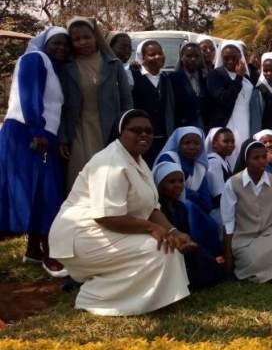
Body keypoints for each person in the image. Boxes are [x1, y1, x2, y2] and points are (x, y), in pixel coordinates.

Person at [48, 109, 191, 316]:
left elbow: (151, 209)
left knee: (168, 246)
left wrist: (173, 231)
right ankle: (95, 296)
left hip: (103, 231)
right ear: (121, 132)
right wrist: (152, 229)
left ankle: (152, 299)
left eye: (149, 131)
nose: (144, 135)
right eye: (136, 130)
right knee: (156, 248)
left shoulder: (139, 161)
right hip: (79, 236)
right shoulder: (110, 163)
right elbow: (106, 216)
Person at [0, 27, 70, 276]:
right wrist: (37, 131)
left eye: (65, 45)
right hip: (27, 134)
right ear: (45, 43)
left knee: (38, 191)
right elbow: (30, 97)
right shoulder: (34, 58)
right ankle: (50, 254)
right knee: (45, 191)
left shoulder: (51, 66)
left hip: (39, 134)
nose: (61, 48)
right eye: (56, 44)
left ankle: (32, 251)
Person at [59, 17, 133, 191]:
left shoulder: (113, 65)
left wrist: (128, 130)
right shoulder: (66, 67)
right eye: (76, 39)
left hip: (108, 130)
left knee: (109, 179)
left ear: (95, 37)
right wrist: (63, 137)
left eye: (87, 37)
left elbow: (126, 100)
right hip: (78, 131)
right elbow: (61, 105)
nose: (82, 42)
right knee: (80, 179)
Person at [221, 140, 272, 282]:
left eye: (264, 157)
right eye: (256, 158)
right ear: (246, 160)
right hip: (245, 237)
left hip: (269, 232)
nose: (261, 161)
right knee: (253, 259)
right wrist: (228, 254)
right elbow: (228, 221)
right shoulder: (232, 184)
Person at [153, 161, 226, 289]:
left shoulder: (181, 207)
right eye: (171, 182)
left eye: (180, 181)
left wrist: (188, 244)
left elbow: (186, 233)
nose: (177, 185)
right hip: (165, 248)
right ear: (160, 184)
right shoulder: (157, 210)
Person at [154, 127, 222, 257]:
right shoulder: (169, 158)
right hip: (167, 207)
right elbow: (167, 186)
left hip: (196, 208)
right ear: (178, 144)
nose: (192, 147)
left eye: (196, 143)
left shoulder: (200, 167)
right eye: (187, 143)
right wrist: (194, 196)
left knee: (213, 223)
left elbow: (206, 200)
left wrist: (194, 197)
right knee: (188, 209)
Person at [206, 40, 257, 167]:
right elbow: (225, 99)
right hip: (227, 123)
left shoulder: (247, 78)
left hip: (245, 122)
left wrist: (240, 76)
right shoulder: (215, 75)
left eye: (234, 58)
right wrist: (238, 78)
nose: (230, 61)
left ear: (240, 58)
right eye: (226, 58)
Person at [131, 40, 175, 164]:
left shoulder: (166, 78)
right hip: (140, 139)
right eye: (152, 54)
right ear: (142, 58)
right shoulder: (133, 77)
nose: (158, 57)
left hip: (163, 138)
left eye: (160, 53)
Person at [171, 42, 208, 129]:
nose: (193, 59)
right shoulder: (173, 79)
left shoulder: (206, 77)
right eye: (189, 56)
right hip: (183, 126)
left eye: (196, 56)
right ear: (182, 57)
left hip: (204, 126)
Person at [205, 127, 235, 222]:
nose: (230, 145)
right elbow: (219, 195)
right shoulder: (214, 162)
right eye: (225, 141)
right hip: (219, 214)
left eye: (232, 142)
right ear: (214, 144)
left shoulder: (224, 161)